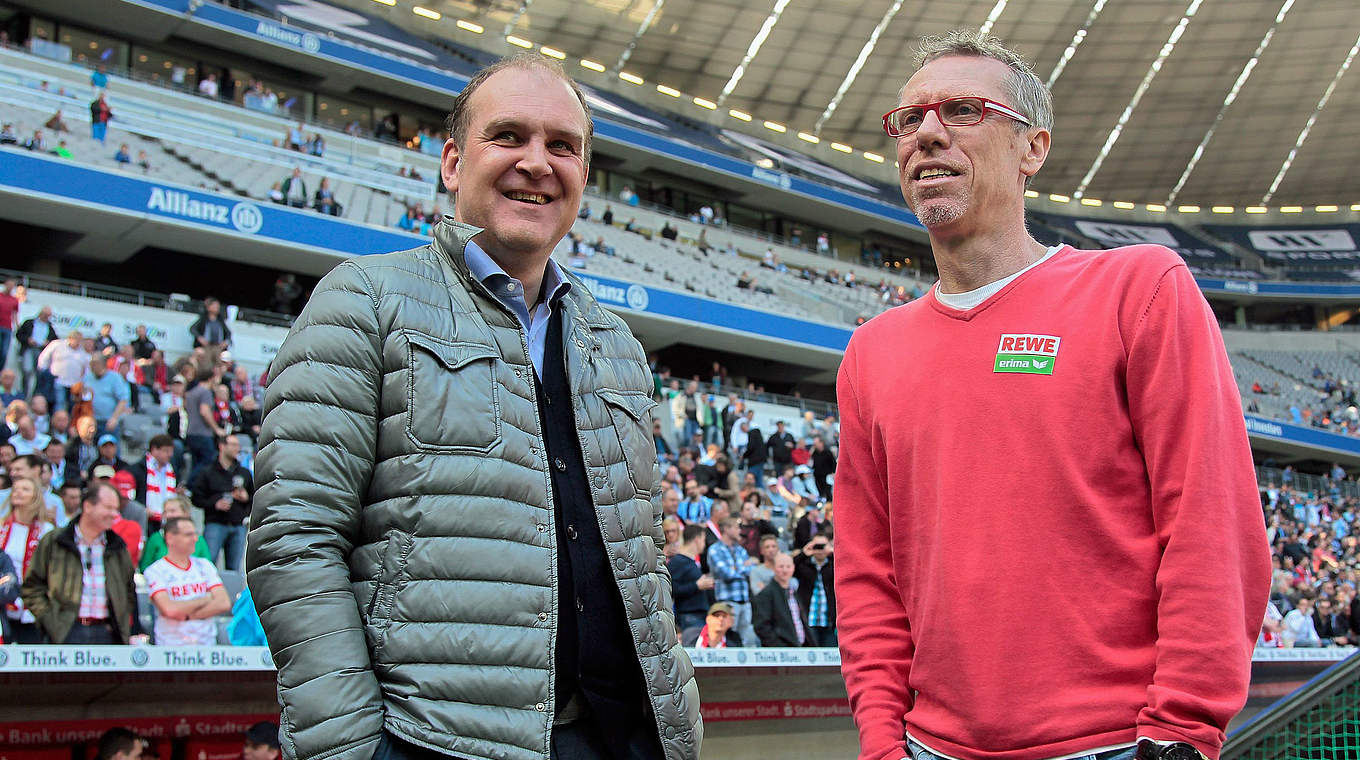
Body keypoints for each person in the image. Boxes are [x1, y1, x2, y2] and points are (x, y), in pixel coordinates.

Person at [247, 54, 701, 760]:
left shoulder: (616, 345)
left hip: (615, 737)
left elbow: (643, 551)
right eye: (509, 136)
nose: (536, 162)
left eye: (562, 145)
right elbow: (295, 540)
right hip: (430, 741)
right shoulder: (364, 300)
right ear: (453, 163)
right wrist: (352, 749)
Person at [834, 29, 1270, 760]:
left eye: (963, 110)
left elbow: (1210, 522)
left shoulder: (1139, 290)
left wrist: (1182, 731)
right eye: (909, 120)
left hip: (1118, 745)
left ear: (1033, 148)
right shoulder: (872, 352)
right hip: (929, 748)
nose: (928, 134)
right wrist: (882, 742)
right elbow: (867, 572)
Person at [21, 481, 145, 644]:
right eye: (108, 508)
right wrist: (50, 620)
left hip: (108, 633)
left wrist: (119, 621)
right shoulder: (54, 541)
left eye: (116, 509)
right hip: (65, 631)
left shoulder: (118, 546)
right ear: (88, 506)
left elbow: (128, 590)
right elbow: (32, 586)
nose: (114, 514)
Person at [144, 516, 230, 645]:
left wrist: (188, 616)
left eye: (195, 534)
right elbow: (169, 610)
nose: (195, 539)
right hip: (171, 647)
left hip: (207, 645)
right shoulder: (155, 570)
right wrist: (206, 599)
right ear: (170, 538)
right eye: (188, 535)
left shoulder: (205, 565)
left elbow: (223, 603)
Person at [2, 475, 55, 642]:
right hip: (3, 602)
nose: (18, 492)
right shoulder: (1, 527)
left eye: (25, 489)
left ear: (36, 496)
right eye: (15, 489)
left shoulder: (46, 530)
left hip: (33, 605)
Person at [189, 434, 252, 571]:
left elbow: (255, 498)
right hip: (215, 524)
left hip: (238, 526)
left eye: (238, 445)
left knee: (234, 569)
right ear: (222, 446)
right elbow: (196, 498)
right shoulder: (207, 472)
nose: (237, 448)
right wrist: (215, 503)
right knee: (208, 566)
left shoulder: (244, 473)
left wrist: (246, 498)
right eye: (233, 445)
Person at [705, 516, 755, 647]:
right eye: (736, 527)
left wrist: (737, 568)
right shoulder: (715, 549)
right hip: (726, 602)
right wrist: (743, 568)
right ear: (727, 529)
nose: (740, 530)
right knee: (728, 639)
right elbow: (726, 574)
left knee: (746, 640)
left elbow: (751, 570)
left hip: (745, 602)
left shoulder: (741, 550)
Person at [752, 552, 808, 647]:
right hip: (781, 652)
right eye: (781, 567)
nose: (785, 570)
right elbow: (762, 627)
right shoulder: (765, 595)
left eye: (788, 566)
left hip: (801, 648)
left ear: (793, 568)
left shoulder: (794, 592)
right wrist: (780, 647)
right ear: (773, 568)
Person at [138, 497, 210, 571]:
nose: (168, 515)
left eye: (172, 511)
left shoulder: (198, 540)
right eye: (165, 512)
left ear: (185, 513)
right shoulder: (156, 538)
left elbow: (207, 568)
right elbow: (145, 567)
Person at [667, 524, 715, 633]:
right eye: (703, 539)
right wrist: (697, 586)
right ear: (697, 539)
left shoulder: (690, 561)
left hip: (698, 614)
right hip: (689, 616)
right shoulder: (678, 562)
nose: (704, 544)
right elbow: (671, 589)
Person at [793, 532, 835, 647]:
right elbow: (790, 567)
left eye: (823, 546)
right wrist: (804, 553)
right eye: (817, 546)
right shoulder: (804, 565)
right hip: (808, 621)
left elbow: (848, 567)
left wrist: (833, 553)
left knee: (829, 660)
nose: (820, 549)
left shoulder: (834, 564)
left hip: (829, 621)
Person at [38, 331, 89, 413]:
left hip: (74, 384)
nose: (78, 342)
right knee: (59, 404)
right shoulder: (56, 344)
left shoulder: (83, 352)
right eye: (76, 340)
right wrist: (44, 372)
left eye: (80, 340)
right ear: (70, 339)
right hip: (58, 381)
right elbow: (44, 357)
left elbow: (86, 369)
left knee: (71, 407)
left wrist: (81, 383)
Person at [16, 304, 58, 398]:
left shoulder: (50, 327)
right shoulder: (29, 322)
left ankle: (33, 396)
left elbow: (55, 340)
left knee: (38, 375)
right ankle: (24, 394)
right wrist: (28, 339)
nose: (46, 317)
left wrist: (48, 342)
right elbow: (19, 335)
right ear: (40, 313)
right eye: (44, 314)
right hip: (29, 349)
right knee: (27, 370)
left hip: (41, 351)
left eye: (48, 315)